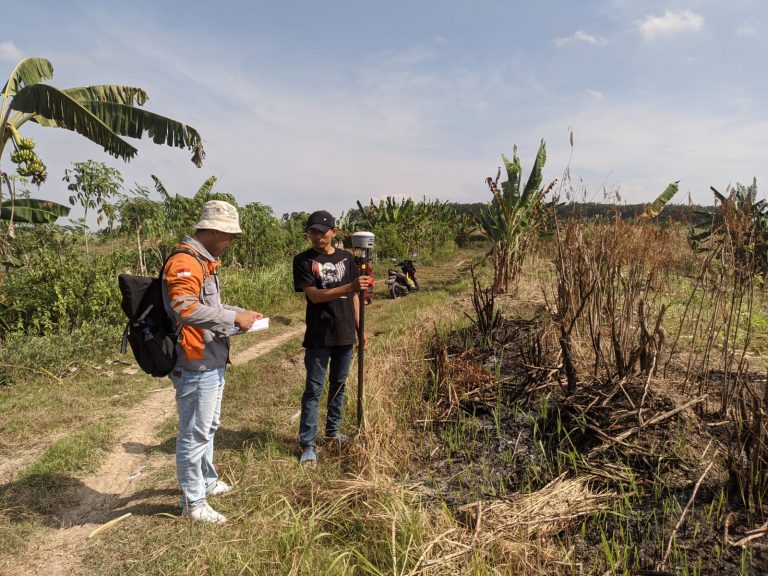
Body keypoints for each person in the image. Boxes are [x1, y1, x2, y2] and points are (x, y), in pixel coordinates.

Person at [162, 200, 263, 524]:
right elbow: (185, 309)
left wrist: (240, 314)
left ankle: (205, 480)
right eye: (229, 237)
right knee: (194, 434)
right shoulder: (185, 263)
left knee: (208, 428)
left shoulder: (203, 262)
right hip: (194, 361)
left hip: (210, 357)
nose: (230, 243)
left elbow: (208, 305)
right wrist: (233, 316)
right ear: (214, 231)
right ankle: (193, 503)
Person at [292, 210, 370, 467]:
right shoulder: (303, 261)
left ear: (333, 232)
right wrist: (350, 287)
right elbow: (313, 295)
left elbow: (357, 297)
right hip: (318, 335)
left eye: (321, 231)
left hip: (345, 332)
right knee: (314, 389)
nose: (316, 236)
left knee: (339, 385)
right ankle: (308, 444)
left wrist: (360, 329)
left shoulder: (348, 259)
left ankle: (333, 432)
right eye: (312, 232)